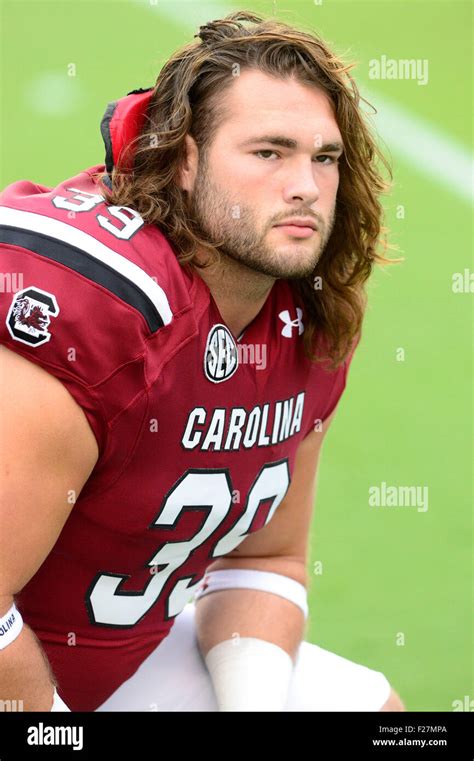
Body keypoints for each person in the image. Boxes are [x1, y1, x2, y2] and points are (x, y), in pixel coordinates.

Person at [0, 11, 404, 712]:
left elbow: (264, 559)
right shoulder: (105, 315)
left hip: (113, 664)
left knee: (377, 713)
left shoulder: (308, 314)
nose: (306, 185)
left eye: (325, 157)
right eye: (269, 152)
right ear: (184, 161)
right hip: (25, 682)